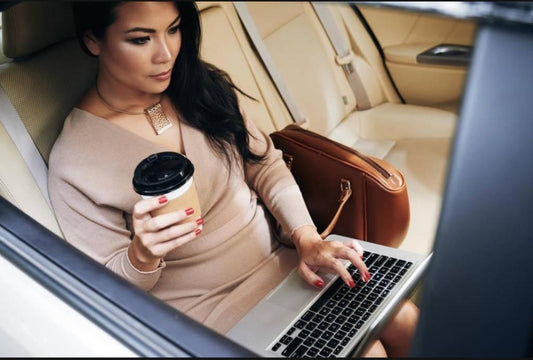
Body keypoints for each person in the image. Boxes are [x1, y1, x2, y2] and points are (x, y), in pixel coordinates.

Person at [48, 1, 418, 357]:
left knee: (406, 320)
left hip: (287, 265)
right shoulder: (75, 162)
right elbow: (106, 289)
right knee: (370, 352)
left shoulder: (197, 87)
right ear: (93, 40)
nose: (165, 54)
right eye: (140, 39)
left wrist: (306, 237)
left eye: (173, 30)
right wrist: (141, 255)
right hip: (210, 316)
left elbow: (265, 164)